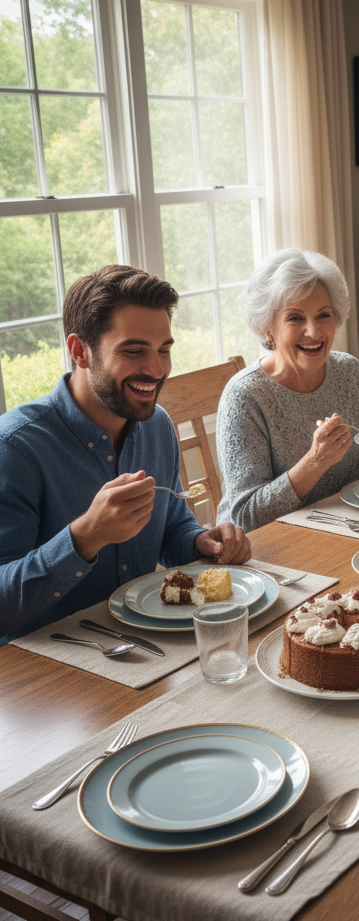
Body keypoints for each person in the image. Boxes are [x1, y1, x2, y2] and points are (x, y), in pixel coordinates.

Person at [0, 265, 250, 646]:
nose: (156, 369)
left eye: (164, 350)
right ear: (79, 351)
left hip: (142, 645)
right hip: (48, 669)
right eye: (134, 351)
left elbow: (171, 529)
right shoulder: (15, 448)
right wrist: (84, 538)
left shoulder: (156, 425)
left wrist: (202, 541)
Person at [216, 249, 359, 533]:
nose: (314, 332)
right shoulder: (246, 396)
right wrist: (315, 462)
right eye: (295, 318)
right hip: (273, 548)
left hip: (349, 528)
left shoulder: (349, 371)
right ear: (267, 328)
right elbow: (245, 517)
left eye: (323, 315)